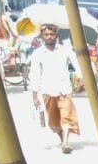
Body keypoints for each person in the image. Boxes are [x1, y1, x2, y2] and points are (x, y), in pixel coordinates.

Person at [29, 22, 79, 153]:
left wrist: (81, 79)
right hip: (47, 91)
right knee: (54, 121)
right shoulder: (38, 53)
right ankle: (62, 138)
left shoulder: (65, 50)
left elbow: (77, 64)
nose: (49, 37)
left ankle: (66, 143)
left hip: (64, 89)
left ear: (56, 36)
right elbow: (35, 74)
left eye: (52, 34)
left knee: (67, 115)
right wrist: (34, 95)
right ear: (42, 36)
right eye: (46, 34)